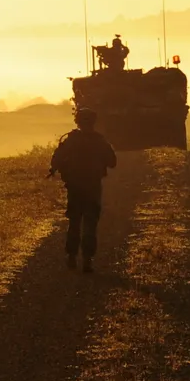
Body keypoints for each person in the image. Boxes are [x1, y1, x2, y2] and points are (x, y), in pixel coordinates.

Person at [49, 106, 118, 272]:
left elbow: (56, 160)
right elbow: (112, 162)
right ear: (94, 122)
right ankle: (87, 260)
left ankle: (71, 256)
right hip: (93, 187)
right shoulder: (100, 141)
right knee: (90, 223)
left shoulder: (70, 140)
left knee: (74, 222)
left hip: (74, 187)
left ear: (77, 121)